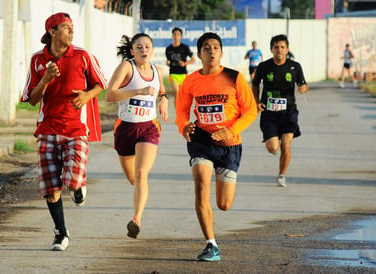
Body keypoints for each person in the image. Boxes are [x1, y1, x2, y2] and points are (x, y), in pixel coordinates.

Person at [20, 12, 107, 251]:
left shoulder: (82, 56)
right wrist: (46, 79)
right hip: (47, 129)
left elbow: (101, 83)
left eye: (72, 27)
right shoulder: (37, 59)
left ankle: (78, 187)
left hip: (76, 129)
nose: (71, 31)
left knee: (71, 181)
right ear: (52, 32)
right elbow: (30, 99)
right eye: (67, 28)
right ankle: (61, 233)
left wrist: (87, 95)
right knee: (51, 188)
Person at [175, 32, 257, 261]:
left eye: (216, 48)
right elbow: (181, 109)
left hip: (229, 145)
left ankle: (213, 228)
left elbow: (250, 110)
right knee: (201, 184)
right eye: (207, 48)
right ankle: (211, 244)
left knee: (224, 204)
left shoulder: (234, 77)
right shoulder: (191, 81)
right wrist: (183, 126)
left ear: (221, 52)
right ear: (199, 53)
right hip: (201, 140)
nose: (211, 52)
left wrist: (231, 130)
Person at [106, 33, 168, 239]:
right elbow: (110, 95)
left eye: (147, 47)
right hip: (125, 129)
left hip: (148, 128)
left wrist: (164, 100)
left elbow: (161, 90)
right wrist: (138, 90)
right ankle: (140, 197)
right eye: (139, 47)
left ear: (152, 50)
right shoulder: (126, 67)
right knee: (134, 179)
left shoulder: (158, 71)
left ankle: (136, 219)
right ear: (132, 51)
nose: (144, 50)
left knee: (142, 174)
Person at [252, 34, 308, 187]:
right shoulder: (264, 67)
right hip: (269, 113)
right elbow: (255, 84)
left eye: (282, 47)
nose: (279, 50)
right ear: (271, 49)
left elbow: (303, 84)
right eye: (276, 47)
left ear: (287, 49)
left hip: (288, 112)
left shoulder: (295, 66)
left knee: (286, 145)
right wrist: (256, 102)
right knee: (272, 148)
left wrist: (303, 88)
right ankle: (274, 145)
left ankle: (281, 175)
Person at [165, 27, 195, 105]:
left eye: (178, 34)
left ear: (181, 36)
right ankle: (177, 114)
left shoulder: (185, 48)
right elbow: (168, 61)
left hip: (183, 74)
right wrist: (168, 63)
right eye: (174, 34)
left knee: (183, 95)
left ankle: (182, 112)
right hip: (173, 74)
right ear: (172, 36)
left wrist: (185, 63)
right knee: (177, 93)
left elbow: (193, 59)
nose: (176, 36)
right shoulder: (168, 49)